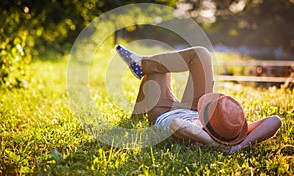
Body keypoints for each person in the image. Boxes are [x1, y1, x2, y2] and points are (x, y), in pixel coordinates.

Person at [115, 44, 282, 153]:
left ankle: (142, 67)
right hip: (198, 110)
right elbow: (275, 120)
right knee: (201, 54)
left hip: (163, 111)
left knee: (159, 70)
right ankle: (142, 64)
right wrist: (238, 147)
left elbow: (177, 124)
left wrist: (214, 144)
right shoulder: (229, 132)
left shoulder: (200, 137)